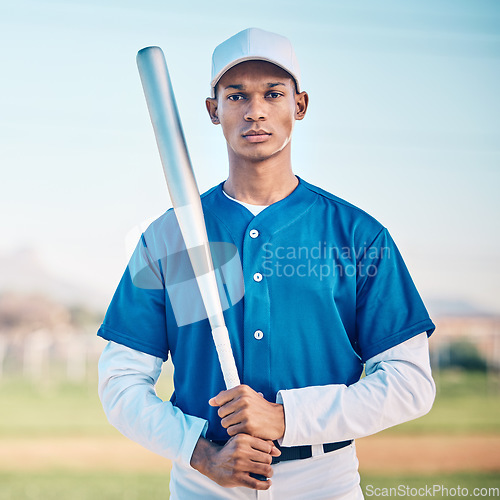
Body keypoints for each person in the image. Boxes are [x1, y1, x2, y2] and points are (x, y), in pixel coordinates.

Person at [98, 28, 436, 499]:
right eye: (236, 96)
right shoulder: (170, 237)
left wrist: (287, 418)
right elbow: (121, 382)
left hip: (326, 482)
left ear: (299, 105)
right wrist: (199, 453)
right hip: (204, 483)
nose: (254, 110)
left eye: (273, 94)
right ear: (213, 110)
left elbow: (410, 382)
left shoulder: (357, 235)